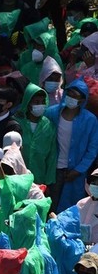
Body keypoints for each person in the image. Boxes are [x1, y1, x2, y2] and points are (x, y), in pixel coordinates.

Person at [45, 79, 98, 212]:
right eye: (70, 93)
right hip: (53, 168)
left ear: (82, 100)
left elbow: (92, 149)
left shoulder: (90, 120)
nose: (71, 98)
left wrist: (79, 169)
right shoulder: (51, 113)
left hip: (75, 171)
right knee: (50, 204)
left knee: (71, 208)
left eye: (75, 96)